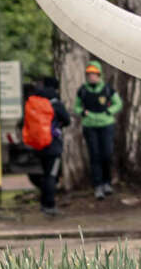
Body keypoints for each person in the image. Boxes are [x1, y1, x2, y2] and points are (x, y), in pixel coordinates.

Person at [21, 76, 70, 216]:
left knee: (45, 174)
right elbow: (67, 120)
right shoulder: (55, 103)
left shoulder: (36, 101)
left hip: (39, 145)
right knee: (51, 176)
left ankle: (44, 204)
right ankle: (49, 205)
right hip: (53, 146)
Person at [76, 61, 122, 200]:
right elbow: (76, 107)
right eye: (89, 74)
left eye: (94, 74)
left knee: (106, 154)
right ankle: (98, 186)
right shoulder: (82, 90)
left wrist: (109, 112)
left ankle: (107, 182)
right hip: (90, 126)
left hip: (106, 125)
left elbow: (118, 103)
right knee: (94, 156)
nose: (91, 77)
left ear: (99, 75)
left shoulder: (107, 89)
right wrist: (83, 112)